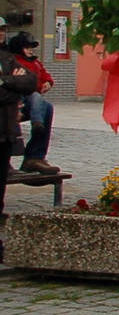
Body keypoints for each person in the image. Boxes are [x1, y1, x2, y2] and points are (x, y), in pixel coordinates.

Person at [0, 20, 40, 228]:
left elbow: (31, 82)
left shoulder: (7, 58)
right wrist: (13, 85)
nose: (1, 34)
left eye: (2, 30)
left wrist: (6, 81)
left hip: (5, 133)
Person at [6, 33, 56, 174]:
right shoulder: (14, 62)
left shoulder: (35, 62)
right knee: (33, 97)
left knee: (47, 107)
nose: (30, 50)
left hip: (32, 97)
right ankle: (6, 160)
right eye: (27, 47)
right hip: (17, 97)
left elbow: (45, 75)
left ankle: (35, 157)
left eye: (31, 47)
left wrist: (47, 82)